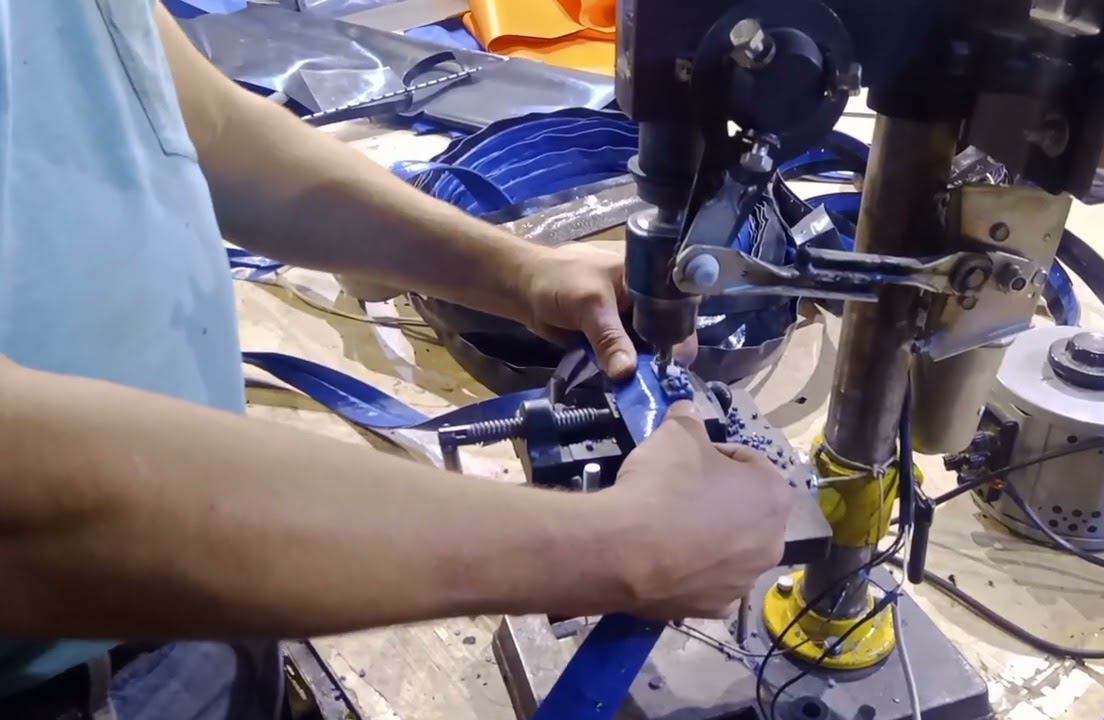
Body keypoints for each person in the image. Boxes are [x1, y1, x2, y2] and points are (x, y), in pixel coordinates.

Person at [0, 3, 793, 718]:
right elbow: (31, 505)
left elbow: (202, 125)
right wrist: (619, 552)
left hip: (225, 583)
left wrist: (518, 272)